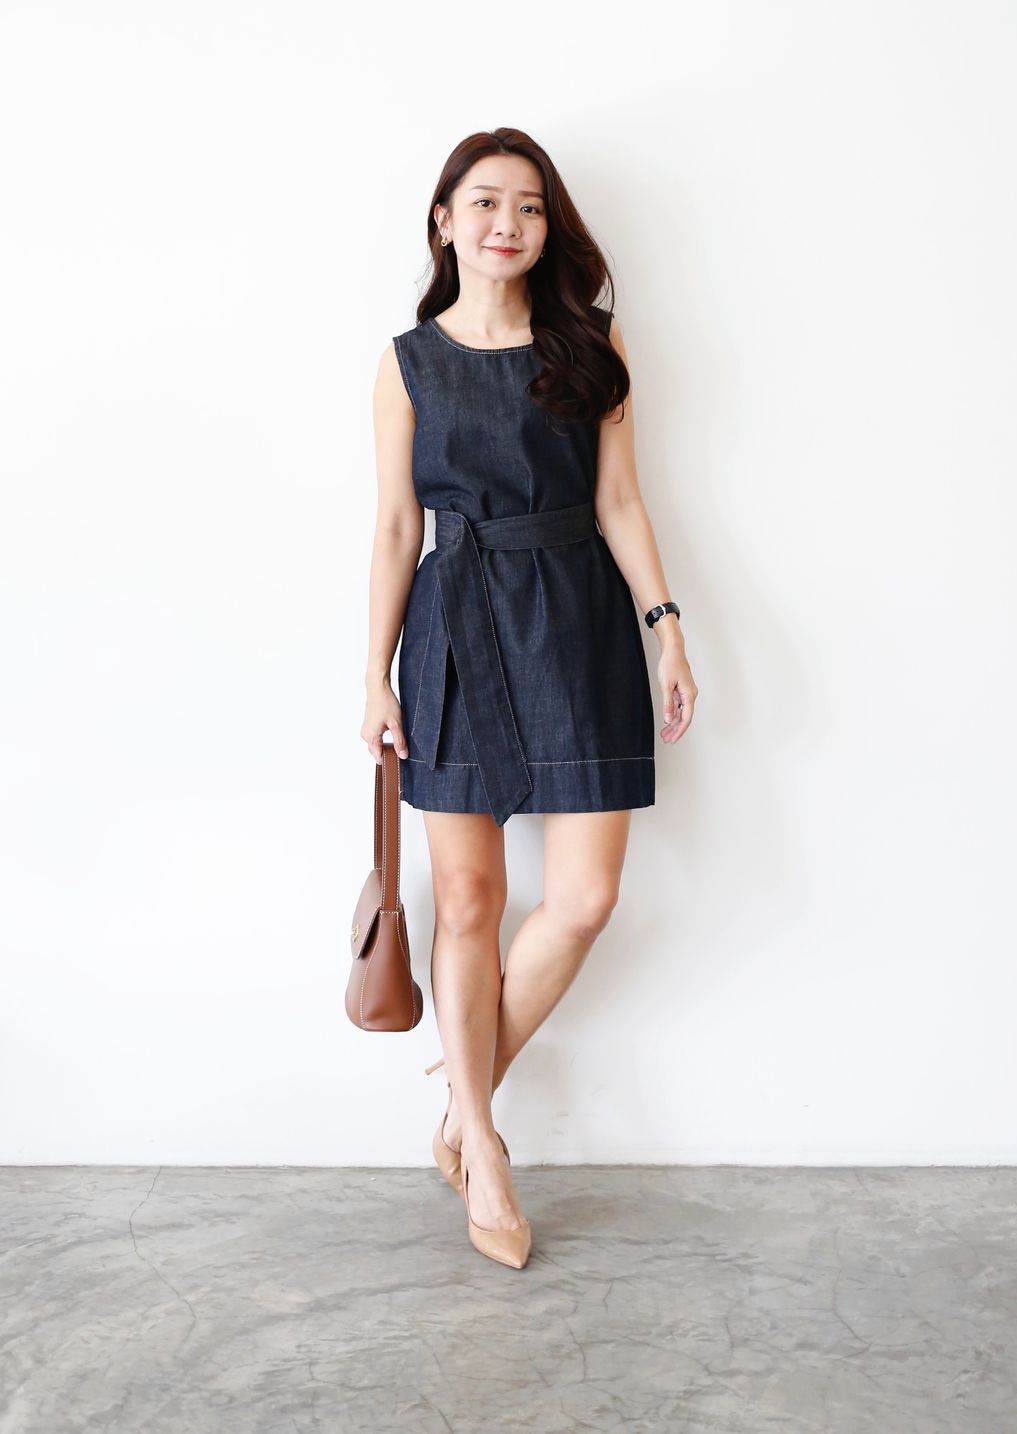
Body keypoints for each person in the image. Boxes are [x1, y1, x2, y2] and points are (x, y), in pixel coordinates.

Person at [362, 127, 697, 1270]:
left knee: (584, 900)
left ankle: (462, 1109)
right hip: (454, 628)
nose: (507, 222)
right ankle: (491, 1155)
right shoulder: (408, 363)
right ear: (444, 221)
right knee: (467, 904)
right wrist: (374, 673)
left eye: (530, 206)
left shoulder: (591, 345)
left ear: (548, 229)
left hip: (578, 622)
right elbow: (396, 526)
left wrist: (666, 629)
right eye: (484, 201)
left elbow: (620, 501)